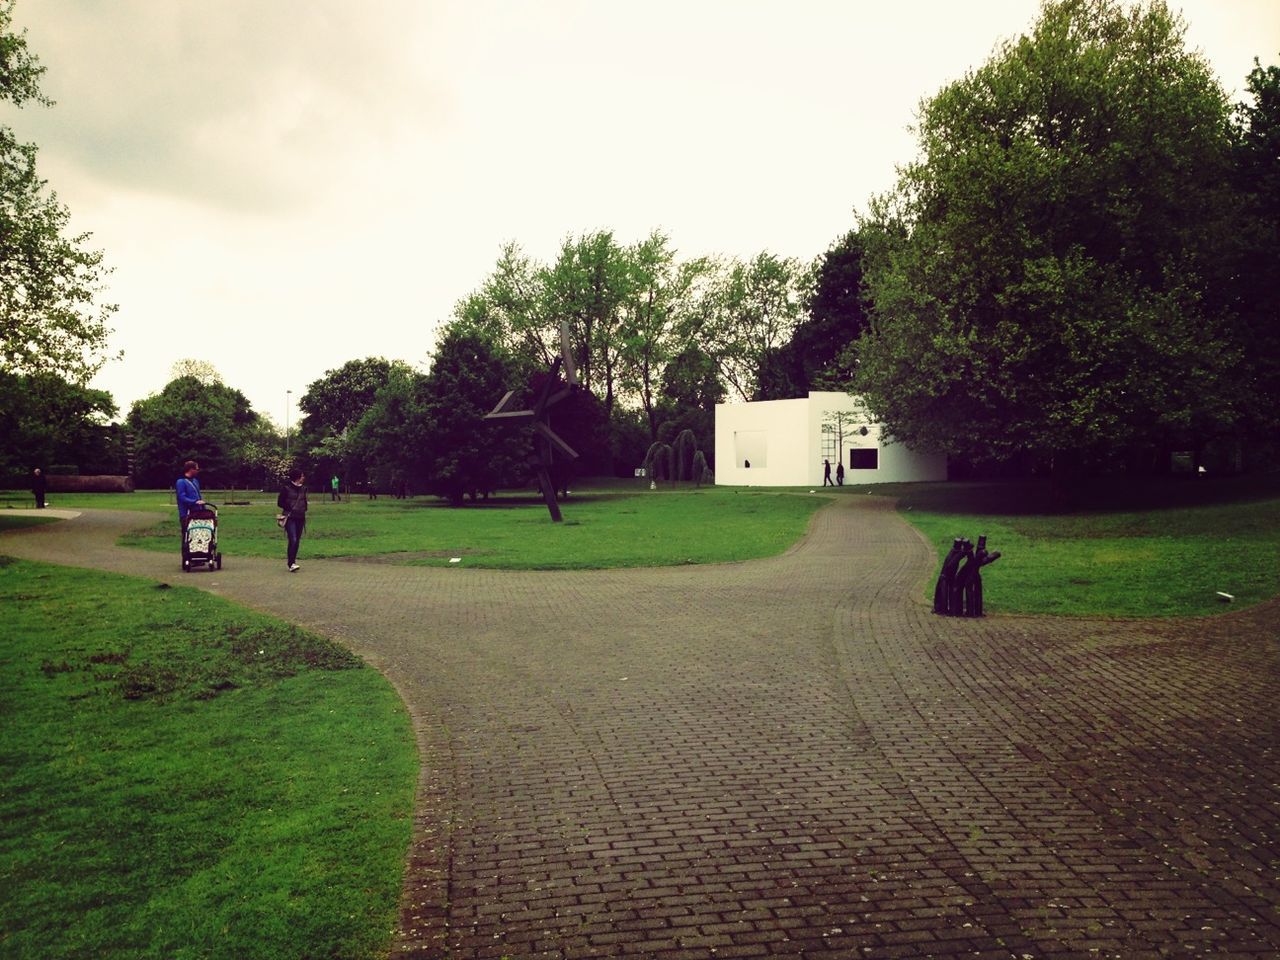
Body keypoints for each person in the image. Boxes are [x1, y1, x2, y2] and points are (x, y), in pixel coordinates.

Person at [278, 467, 309, 572]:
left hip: (300, 517)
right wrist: (289, 507)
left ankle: (293, 561)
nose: (303, 478)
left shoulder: (304, 488)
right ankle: (291, 563)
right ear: (297, 477)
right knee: (293, 539)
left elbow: (304, 501)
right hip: (290, 517)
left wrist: (304, 509)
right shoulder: (286, 488)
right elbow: (280, 502)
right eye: (302, 476)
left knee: (297, 540)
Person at [176, 460, 205, 546]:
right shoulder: (181, 482)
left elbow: (198, 496)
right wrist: (194, 502)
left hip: (198, 512)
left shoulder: (196, 481)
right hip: (186, 514)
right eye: (196, 469)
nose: (197, 471)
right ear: (191, 469)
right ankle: (186, 553)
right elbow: (182, 497)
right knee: (186, 535)